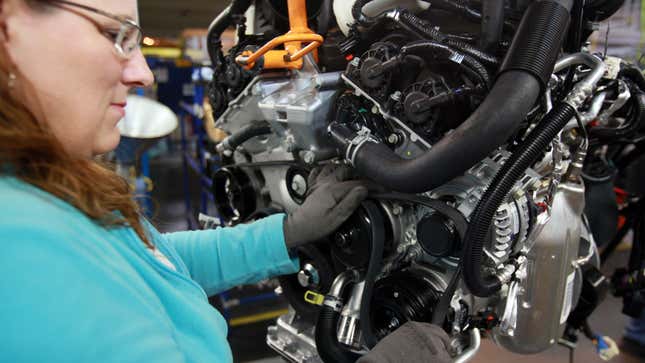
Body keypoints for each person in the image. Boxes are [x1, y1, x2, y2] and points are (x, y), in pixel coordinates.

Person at [0, 0, 452, 362]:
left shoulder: (40, 190)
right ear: (7, 24)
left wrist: (287, 232)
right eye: (116, 35)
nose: (140, 72)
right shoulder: (19, 248)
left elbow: (156, 263)